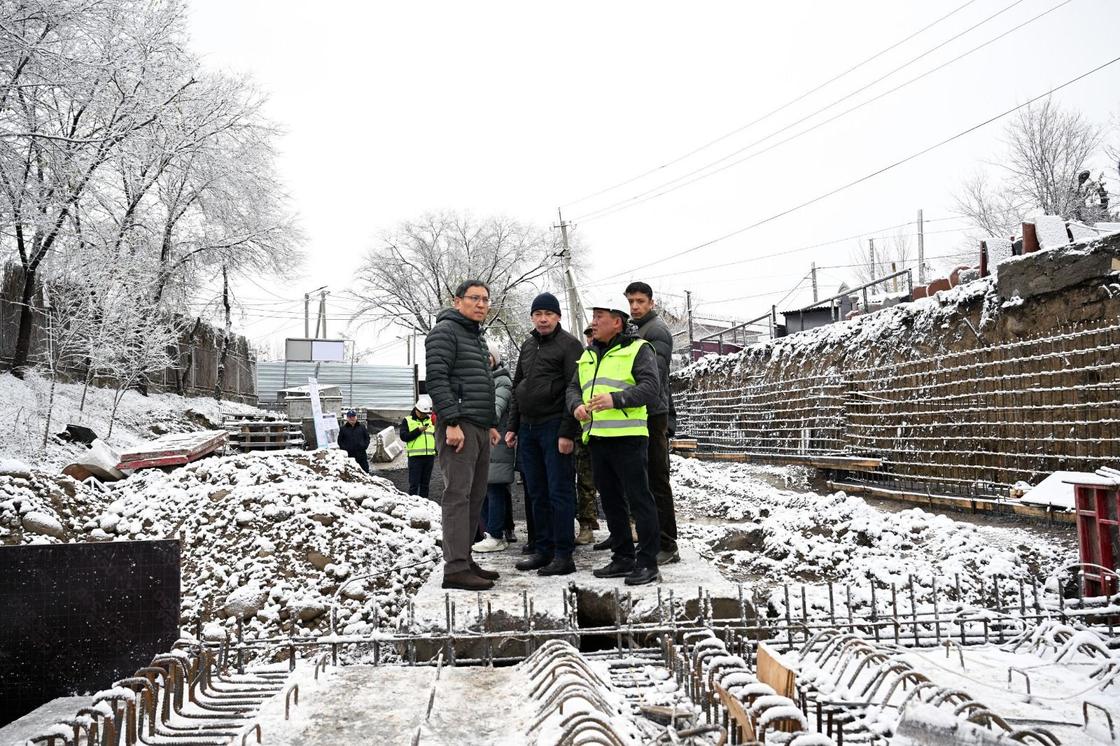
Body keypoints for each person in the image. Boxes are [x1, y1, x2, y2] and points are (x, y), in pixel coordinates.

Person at [566, 298, 662, 585]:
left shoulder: (639, 350)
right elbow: (573, 388)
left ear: (617, 322)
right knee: (610, 501)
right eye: (593, 317)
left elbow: (651, 389)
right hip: (597, 438)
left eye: (599, 316)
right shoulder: (588, 355)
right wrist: (575, 407)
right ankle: (622, 557)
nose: (593, 322)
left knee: (639, 500)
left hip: (629, 438)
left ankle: (647, 562)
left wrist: (615, 399)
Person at [425, 279, 501, 591]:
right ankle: (454, 568)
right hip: (459, 427)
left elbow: (479, 382)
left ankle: (465, 558)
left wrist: (489, 422)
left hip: (478, 426)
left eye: (485, 299)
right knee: (458, 495)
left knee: (476, 494)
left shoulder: (475, 336)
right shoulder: (445, 332)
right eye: (474, 298)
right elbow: (437, 379)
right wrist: (451, 421)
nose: (481, 304)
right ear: (458, 302)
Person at [506, 292, 584, 576]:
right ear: (532, 317)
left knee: (559, 491)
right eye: (537, 314)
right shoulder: (527, 346)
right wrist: (513, 427)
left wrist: (567, 432)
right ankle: (543, 549)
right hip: (528, 428)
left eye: (548, 314)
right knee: (536, 491)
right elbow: (518, 388)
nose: (542, 318)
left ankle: (564, 555)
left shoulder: (570, 346)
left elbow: (574, 390)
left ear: (558, 316)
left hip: (554, 427)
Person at [625, 281, 681, 565]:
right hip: (643, 413)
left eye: (640, 301)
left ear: (651, 303)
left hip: (653, 413)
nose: (635, 306)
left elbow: (652, 376)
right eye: (631, 301)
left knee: (657, 480)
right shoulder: (638, 330)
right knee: (645, 480)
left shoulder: (656, 331)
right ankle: (651, 540)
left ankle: (667, 544)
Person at [474, 340, 515, 552]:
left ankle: (495, 534)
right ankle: (493, 532)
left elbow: (494, 411)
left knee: (494, 489)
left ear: (495, 358)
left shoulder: (502, 382)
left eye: (488, 356)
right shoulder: (482, 380)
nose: (485, 359)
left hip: (496, 442)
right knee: (485, 489)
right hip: (485, 443)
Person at [574, 326, 600, 545]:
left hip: (616, 429)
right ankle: (586, 525)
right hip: (587, 430)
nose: (591, 338)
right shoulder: (584, 359)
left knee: (619, 482)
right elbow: (573, 388)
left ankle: (630, 524)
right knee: (585, 481)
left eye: (594, 333)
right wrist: (576, 405)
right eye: (588, 335)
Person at [399, 396, 436, 497]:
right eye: (422, 413)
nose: (424, 415)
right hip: (415, 458)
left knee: (425, 484)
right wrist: (418, 431)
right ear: (416, 409)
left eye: (425, 413)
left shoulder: (429, 421)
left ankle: (424, 504)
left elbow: (434, 436)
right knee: (414, 484)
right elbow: (404, 436)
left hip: (429, 457)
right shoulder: (407, 420)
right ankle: (413, 504)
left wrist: (436, 450)